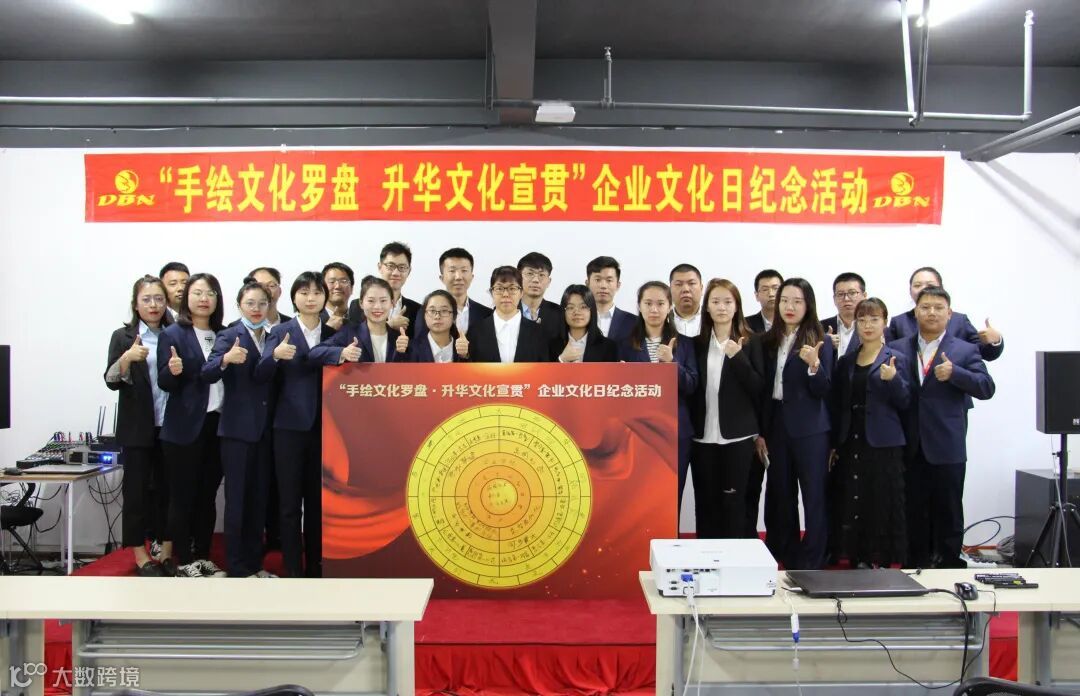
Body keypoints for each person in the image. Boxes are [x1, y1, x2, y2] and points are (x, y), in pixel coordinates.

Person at [888, 286, 996, 568]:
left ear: (949, 314)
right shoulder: (898, 348)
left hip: (947, 445)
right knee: (912, 511)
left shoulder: (964, 349)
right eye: (925, 307)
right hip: (910, 444)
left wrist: (956, 373)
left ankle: (948, 566)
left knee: (948, 511)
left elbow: (986, 387)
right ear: (916, 312)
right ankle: (914, 568)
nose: (931, 313)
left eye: (938, 308)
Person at [256, 272, 342, 577]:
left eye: (317, 293)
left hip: (326, 430)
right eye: (304, 292)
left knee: (318, 504)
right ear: (294, 297)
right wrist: (274, 356)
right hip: (288, 429)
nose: (311, 298)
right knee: (290, 504)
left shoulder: (334, 333)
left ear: (325, 297)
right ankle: (293, 568)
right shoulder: (280, 331)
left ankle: (317, 567)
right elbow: (261, 374)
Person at [202, 279, 276, 578]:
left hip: (265, 431)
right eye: (250, 303)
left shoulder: (273, 336)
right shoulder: (229, 335)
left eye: (262, 304)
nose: (256, 309)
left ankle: (254, 563)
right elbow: (207, 372)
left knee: (259, 500)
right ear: (239, 305)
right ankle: (236, 566)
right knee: (237, 501)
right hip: (235, 431)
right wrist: (225, 359)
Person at [759, 277, 834, 570]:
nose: (789, 307)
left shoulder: (819, 339)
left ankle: (814, 557)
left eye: (797, 301)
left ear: (808, 305)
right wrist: (761, 430)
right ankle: (785, 551)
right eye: (785, 300)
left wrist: (814, 365)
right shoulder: (769, 340)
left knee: (814, 494)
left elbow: (825, 389)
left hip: (811, 428)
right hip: (777, 424)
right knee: (781, 491)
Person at [156, 273, 227, 578]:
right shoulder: (174, 334)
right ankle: (184, 560)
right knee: (182, 497)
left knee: (207, 496)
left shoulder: (224, 333)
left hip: (217, 425)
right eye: (197, 292)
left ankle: (203, 557)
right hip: (183, 428)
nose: (203, 299)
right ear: (187, 298)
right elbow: (164, 382)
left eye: (210, 293)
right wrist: (172, 371)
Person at [831, 297, 910, 568]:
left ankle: (882, 557)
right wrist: (835, 442)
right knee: (855, 497)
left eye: (874, 319)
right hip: (852, 438)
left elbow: (906, 401)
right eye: (862, 320)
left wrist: (893, 380)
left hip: (884, 440)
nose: (867, 325)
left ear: (885, 322)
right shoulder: (847, 360)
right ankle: (858, 555)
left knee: (881, 499)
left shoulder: (896, 358)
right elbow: (838, 402)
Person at [104, 275, 173, 576]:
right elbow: (110, 380)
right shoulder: (123, 336)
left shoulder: (175, 333)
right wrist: (126, 358)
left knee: (169, 492)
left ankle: (167, 551)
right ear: (136, 304)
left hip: (170, 426)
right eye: (146, 299)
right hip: (137, 428)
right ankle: (140, 554)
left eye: (159, 298)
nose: (153, 305)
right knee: (136, 494)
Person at [617, 281, 699, 520]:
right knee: (639, 498)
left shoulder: (685, 343)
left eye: (660, 304)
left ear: (669, 306)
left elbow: (692, 385)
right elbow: (615, 392)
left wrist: (672, 364)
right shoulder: (624, 345)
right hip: (637, 432)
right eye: (648, 303)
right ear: (639, 306)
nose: (654, 309)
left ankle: (671, 543)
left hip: (676, 431)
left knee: (671, 496)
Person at [689, 279, 763, 539]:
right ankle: (705, 555)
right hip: (702, 436)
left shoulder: (752, 341)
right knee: (705, 502)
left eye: (727, 302)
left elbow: (758, 388)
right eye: (715, 301)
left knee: (734, 501)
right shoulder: (696, 344)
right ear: (707, 307)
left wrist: (737, 357)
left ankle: (736, 555)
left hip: (738, 436)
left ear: (736, 306)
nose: (721, 307)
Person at [886, 267, 1004, 361]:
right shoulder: (899, 322)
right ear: (910, 290)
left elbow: (982, 353)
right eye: (917, 285)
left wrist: (995, 341)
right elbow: (888, 357)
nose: (923, 289)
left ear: (941, 288)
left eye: (930, 285)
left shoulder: (959, 320)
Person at [461, 267, 549, 363]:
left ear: (521, 293)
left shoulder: (539, 333)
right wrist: (464, 355)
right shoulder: (475, 332)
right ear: (491, 292)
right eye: (499, 288)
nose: (506, 294)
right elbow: (469, 369)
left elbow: (545, 369)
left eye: (512, 288)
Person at [312, 278, 409, 364]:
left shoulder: (399, 338)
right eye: (371, 301)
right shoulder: (350, 332)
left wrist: (402, 352)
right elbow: (314, 353)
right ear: (361, 303)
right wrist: (343, 352)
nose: (377, 306)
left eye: (383, 301)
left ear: (392, 304)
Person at [348, 242, 421, 337]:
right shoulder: (358, 306)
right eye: (390, 266)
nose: (396, 273)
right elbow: (354, 338)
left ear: (409, 271)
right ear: (380, 267)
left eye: (402, 267)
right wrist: (389, 326)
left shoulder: (418, 310)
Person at [417, 247, 493, 336]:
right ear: (442, 278)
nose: (458, 277)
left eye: (464, 270)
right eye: (452, 271)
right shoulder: (428, 311)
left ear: (472, 277)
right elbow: (420, 342)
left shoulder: (486, 314)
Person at [548, 284, 618, 362]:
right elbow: (544, 370)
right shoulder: (551, 345)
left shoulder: (608, 347)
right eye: (570, 307)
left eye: (583, 307)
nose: (577, 312)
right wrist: (561, 359)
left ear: (592, 311)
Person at [585, 256, 636, 342]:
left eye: (609, 280)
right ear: (587, 284)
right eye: (597, 280)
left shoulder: (633, 322)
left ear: (618, 285)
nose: (603, 286)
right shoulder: (576, 318)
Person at [518, 252, 563, 345]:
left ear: (549, 281)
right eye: (530, 273)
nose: (535, 280)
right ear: (518, 277)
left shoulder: (559, 314)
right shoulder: (507, 310)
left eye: (541, 275)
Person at [408, 290, 466, 363]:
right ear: (425, 316)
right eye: (432, 311)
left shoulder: (464, 349)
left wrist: (464, 357)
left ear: (454, 316)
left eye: (444, 311)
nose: (437, 316)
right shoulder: (410, 349)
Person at [821, 272, 866, 360]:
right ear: (834, 299)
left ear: (864, 296)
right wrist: (825, 345)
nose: (846, 299)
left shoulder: (875, 328)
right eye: (840, 294)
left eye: (852, 293)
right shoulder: (819, 328)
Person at [670, 264, 704, 337]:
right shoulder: (662, 320)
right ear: (670, 290)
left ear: (701, 288)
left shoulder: (713, 319)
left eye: (691, 283)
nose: (685, 289)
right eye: (678, 284)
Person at [320, 262, 355, 331]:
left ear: (351, 288)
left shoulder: (361, 319)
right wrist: (327, 330)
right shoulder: (313, 319)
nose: (337, 286)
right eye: (332, 282)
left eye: (343, 281)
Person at [745, 269, 783, 334]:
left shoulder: (795, 322)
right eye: (765, 289)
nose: (771, 294)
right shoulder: (745, 325)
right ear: (757, 295)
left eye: (775, 288)